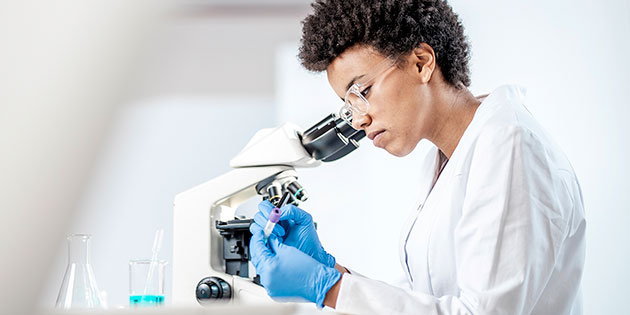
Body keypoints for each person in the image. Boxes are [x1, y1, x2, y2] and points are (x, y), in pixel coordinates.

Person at [249, 0, 586, 314]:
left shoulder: (509, 144)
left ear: (422, 63)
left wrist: (332, 290)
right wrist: (332, 271)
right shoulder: (443, 161)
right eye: (349, 104)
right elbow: (428, 301)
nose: (357, 119)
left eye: (362, 92)